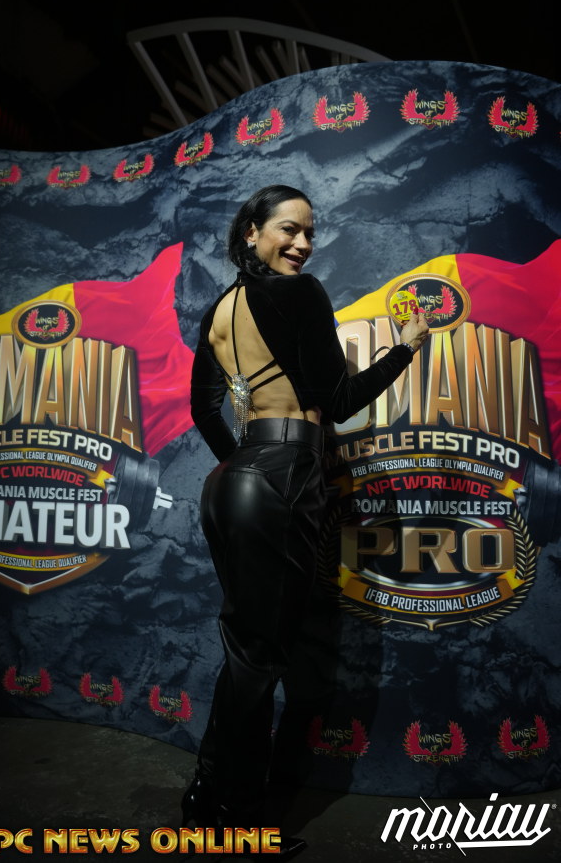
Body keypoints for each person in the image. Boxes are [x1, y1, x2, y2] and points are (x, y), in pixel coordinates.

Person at [187, 185, 428, 847]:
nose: (302, 243)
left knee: (247, 656)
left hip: (233, 481)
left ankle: (208, 797)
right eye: (288, 229)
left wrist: (245, 468)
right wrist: (405, 348)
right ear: (251, 232)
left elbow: (204, 410)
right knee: (260, 660)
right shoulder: (299, 293)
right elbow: (340, 400)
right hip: (285, 474)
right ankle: (239, 818)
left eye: (310, 233)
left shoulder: (220, 309)